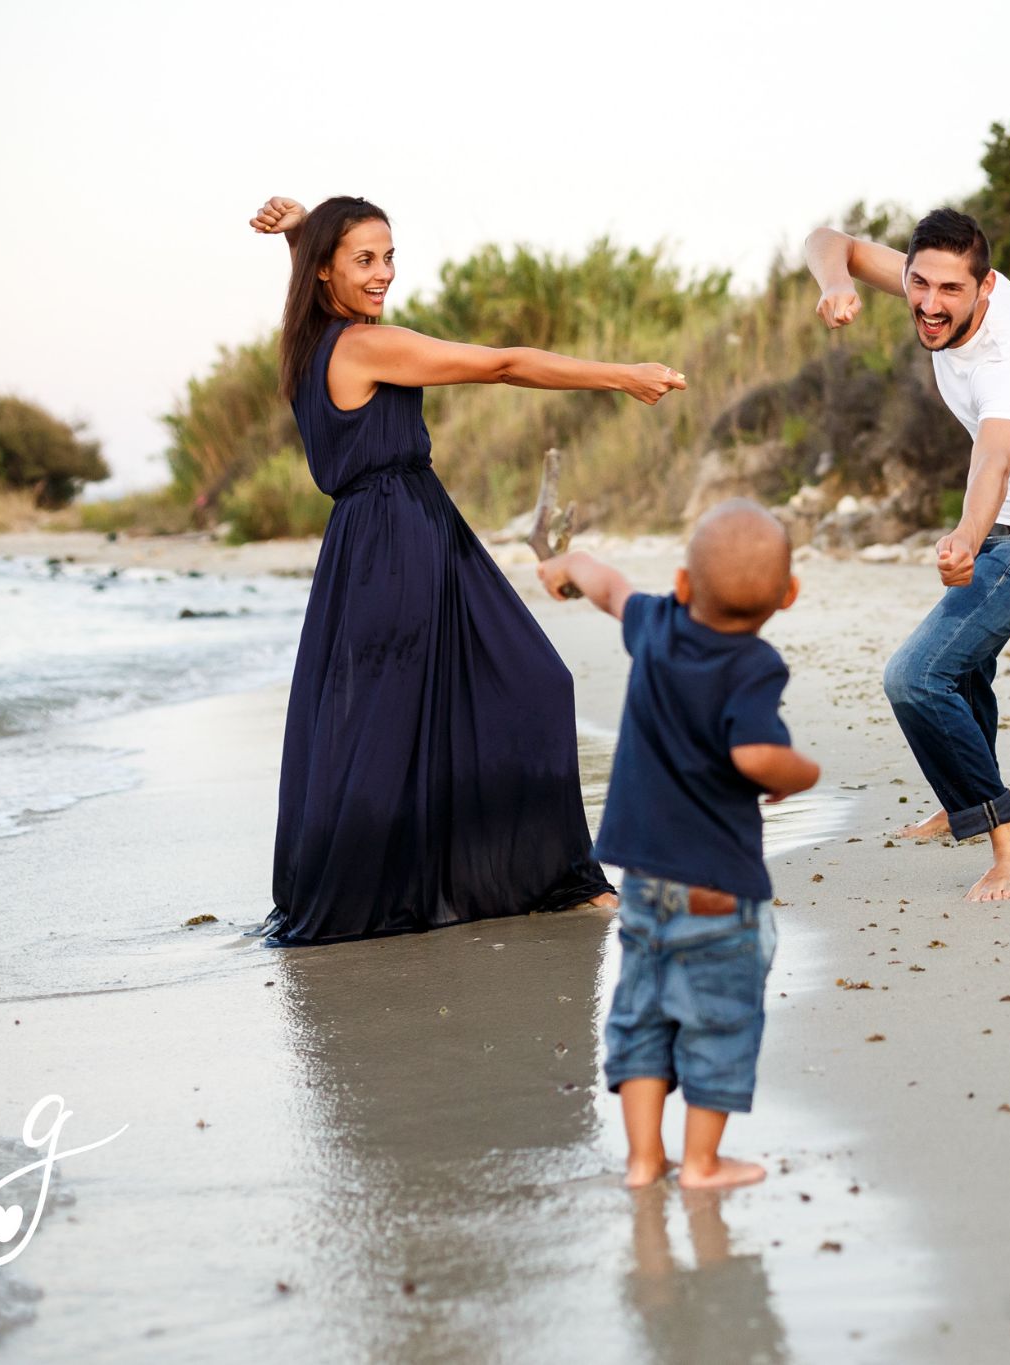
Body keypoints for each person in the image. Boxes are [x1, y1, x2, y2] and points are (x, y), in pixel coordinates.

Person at [248, 194, 686, 945]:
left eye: (389, 255)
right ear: (326, 273)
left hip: (381, 536)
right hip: (398, 538)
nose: (384, 272)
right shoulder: (363, 347)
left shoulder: (313, 343)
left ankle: (510, 879)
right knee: (484, 695)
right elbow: (503, 363)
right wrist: (620, 376)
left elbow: (313, 291)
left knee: (405, 715)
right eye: (364, 259)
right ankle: (552, 884)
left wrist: (299, 237)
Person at [803, 208, 1010, 902]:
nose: (930, 306)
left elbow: (992, 462)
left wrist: (966, 537)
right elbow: (827, 239)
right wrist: (834, 281)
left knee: (916, 675)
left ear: (986, 287)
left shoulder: (1009, 359)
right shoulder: (931, 284)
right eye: (918, 284)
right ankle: (961, 797)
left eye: (951, 291)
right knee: (963, 666)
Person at [535, 500, 819, 1188]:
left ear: (684, 585)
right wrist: (799, 771)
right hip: (719, 892)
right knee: (717, 1024)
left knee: (643, 1018)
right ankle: (699, 1162)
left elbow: (610, 587)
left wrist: (567, 565)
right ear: (787, 596)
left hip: (644, 886)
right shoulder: (755, 665)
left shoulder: (657, 625)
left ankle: (641, 1160)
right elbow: (755, 752)